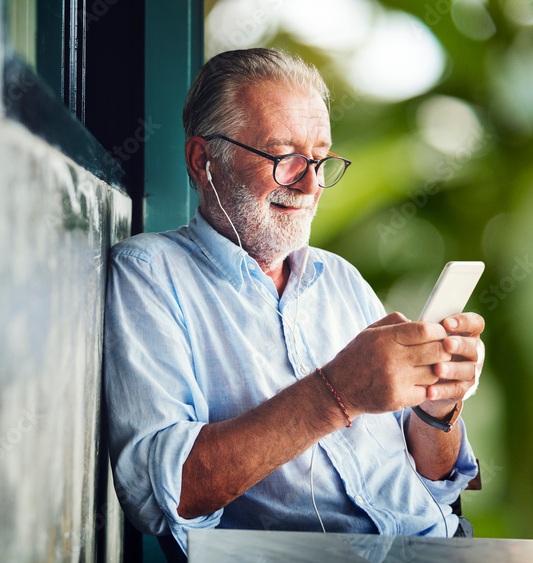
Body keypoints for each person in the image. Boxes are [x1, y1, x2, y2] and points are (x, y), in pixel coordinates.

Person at [103, 48, 483, 557]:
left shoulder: (340, 278)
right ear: (203, 160)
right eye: (285, 158)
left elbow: (437, 479)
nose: (311, 184)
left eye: (321, 159)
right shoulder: (149, 273)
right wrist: (337, 392)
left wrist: (438, 411)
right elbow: (160, 496)